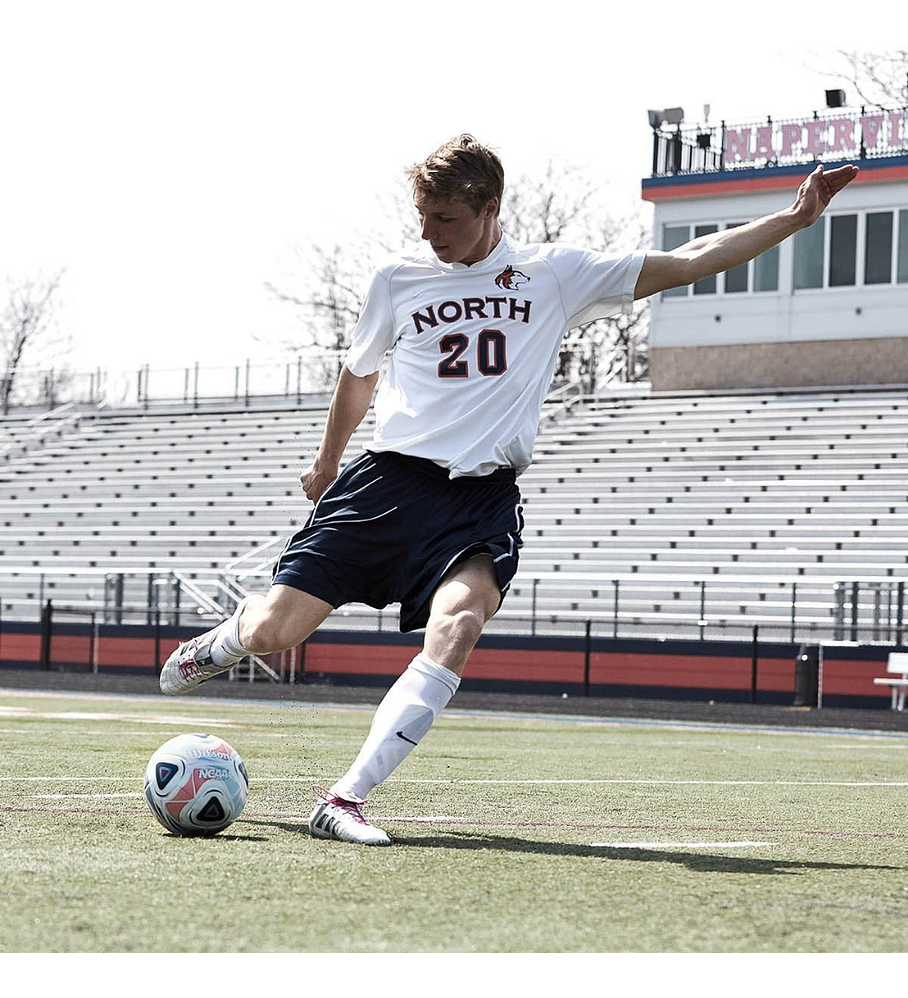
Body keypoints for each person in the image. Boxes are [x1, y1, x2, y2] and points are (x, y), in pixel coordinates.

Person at [159, 134, 858, 846]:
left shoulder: (553, 273)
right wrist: (326, 461)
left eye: (444, 219)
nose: (427, 233)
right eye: (422, 216)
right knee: (276, 632)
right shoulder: (396, 278)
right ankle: (222, 643)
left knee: (459, 626)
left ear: (490, 208)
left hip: (479, 501)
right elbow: (360, 374)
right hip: (387, 484)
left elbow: (688, 260)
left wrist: (794, 219)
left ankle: (344, 798)